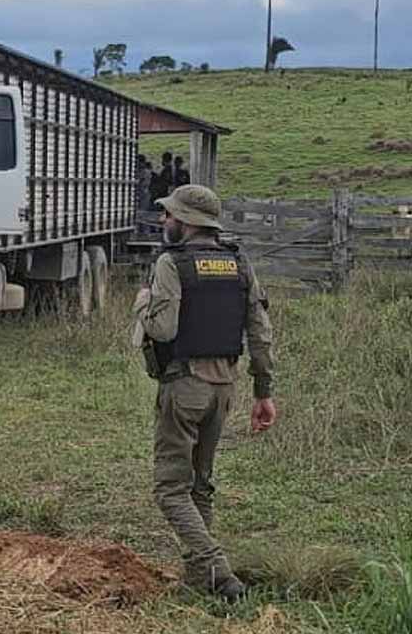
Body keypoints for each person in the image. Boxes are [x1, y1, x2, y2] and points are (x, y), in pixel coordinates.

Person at [131, 184, 277, 602]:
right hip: (224, 389)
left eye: (169, 216)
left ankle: (219, 572)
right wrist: (263, 392)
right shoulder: (238, 262)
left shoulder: (170, 263)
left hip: (184, 385)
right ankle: (200, 583)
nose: (164, 221)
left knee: (170, 489)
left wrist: (142, 303)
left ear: (188, 222)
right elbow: (260, 333)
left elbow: (163, 329)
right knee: (199, 486)